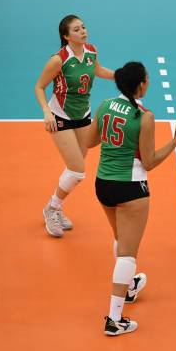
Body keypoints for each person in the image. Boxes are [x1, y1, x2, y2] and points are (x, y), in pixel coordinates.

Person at [88, 61, 176, 335]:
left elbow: (89, 141)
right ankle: (114, 319)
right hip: (131, 188)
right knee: (127, 255)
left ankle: (130, 286)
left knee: (121, 238)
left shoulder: (105, 105)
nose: (149, 82)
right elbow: (151, 161)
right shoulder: (144, 116)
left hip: (103, 184)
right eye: (147, 79)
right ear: (140, 85)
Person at [34, 15, 115, 237]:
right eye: (77, 29)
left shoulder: (91, 51)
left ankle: (54, 207)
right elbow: (39, 87)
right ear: (66, 36)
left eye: (84, 27)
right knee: (78, 171)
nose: (83, 31)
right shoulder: (58, 60)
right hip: (60, 116)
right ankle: (52, 208)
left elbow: (98, 71)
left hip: (83, 115)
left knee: (77, 165)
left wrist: (120, 76)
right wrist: (47, 113)